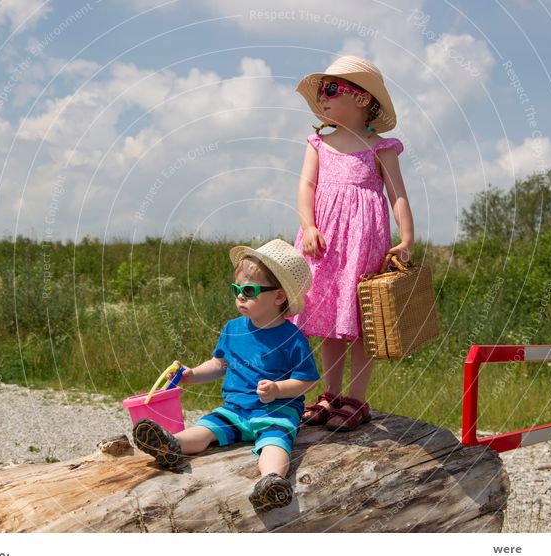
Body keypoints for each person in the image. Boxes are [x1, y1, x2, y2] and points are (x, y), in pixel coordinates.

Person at [132, 239, 319, 512]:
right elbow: (219, 364)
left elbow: (307, 380)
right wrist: (192, 374)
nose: (240, 296)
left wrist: (278, 389)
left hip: (276, 412)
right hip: (235, 410)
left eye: (249, 290)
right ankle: (171, 445)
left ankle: (272, 481)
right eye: (236, 289)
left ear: (279, 297)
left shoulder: (292, 338)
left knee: (275, 444)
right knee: (206, 429)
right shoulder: (233, 329)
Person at [290, 55, 415, 431]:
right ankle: (330, 393)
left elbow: (398, 195)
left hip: (364, 240)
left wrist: (407, 238)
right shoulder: (319, 143)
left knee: (362, 319)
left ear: (362, 99)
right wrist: (308, 226)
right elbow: (306, 187)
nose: (322, 98)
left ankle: (357, 398)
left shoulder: (381, 147)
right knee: (331, 319)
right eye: (320, 92)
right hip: (324, 242)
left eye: (331, 90)